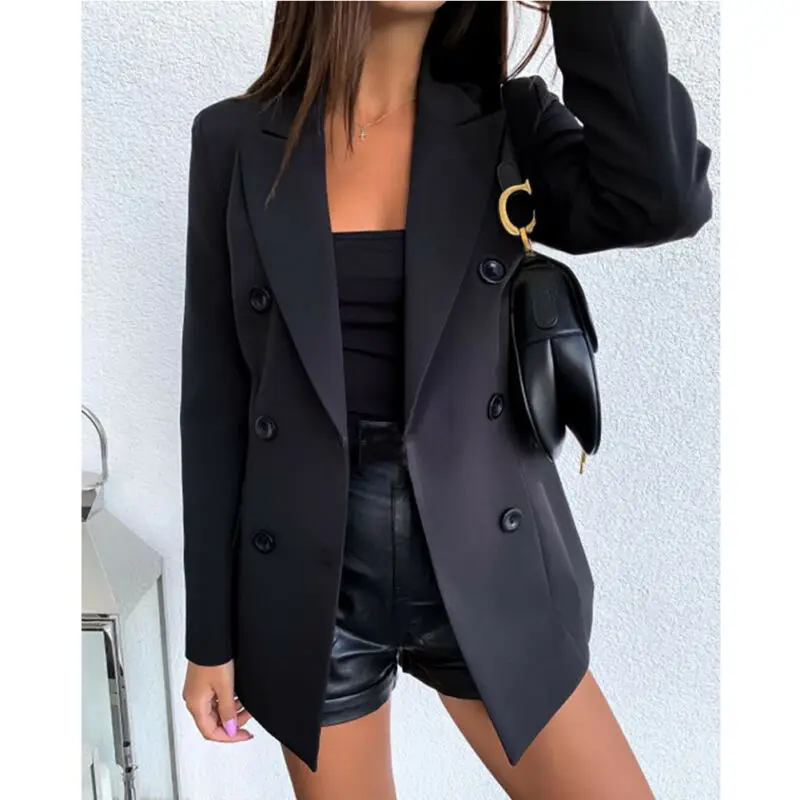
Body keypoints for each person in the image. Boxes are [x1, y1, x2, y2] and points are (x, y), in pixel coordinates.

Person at [179, 1, 712, 798]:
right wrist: (210, 638)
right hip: (306, 582)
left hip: (489, 558)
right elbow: (214, 399)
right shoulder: (233, 140)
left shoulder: (506, 127)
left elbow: (662, 199)